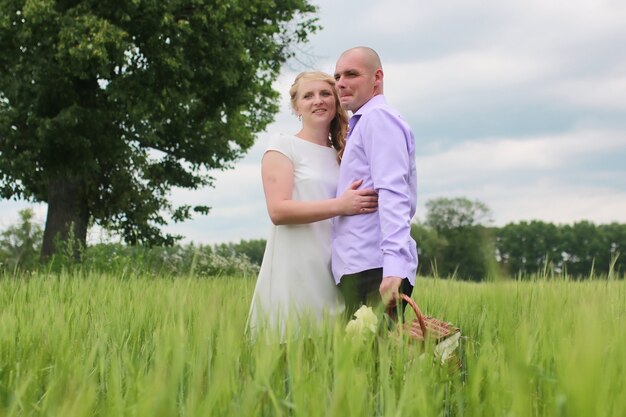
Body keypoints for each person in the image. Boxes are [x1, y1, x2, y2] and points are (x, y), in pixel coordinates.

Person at [247, 71, 378, 338]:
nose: (318, 101)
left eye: (325, 94)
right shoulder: (283, 145)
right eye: (308, 96)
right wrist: (341, 205)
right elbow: (278, 210)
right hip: (296, 271)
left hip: (336, 271)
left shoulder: (344, 153)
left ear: (336, 101)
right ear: (296, 107)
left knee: (333, 361)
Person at [332, 47, 418, 319]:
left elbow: (393, 193)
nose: (341, 83)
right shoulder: (362, 122)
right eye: (337, 76)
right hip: (360, 266)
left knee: (369, 360)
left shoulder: (378, 119)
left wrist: (393, 268)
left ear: (377, 77)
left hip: (374, 268)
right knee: (364, 360)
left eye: (351, 74)